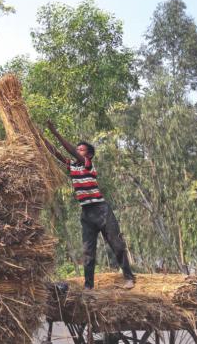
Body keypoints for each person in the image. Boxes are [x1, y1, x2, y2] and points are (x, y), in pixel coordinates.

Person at [43, 120, 136, 290]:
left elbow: (69, 149)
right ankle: (88, 286)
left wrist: (55, 133)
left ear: (89, 155)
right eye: (77, 150)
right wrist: (41, 138)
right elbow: (56, 153)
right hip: (87, 214)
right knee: (88, 252)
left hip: (102, 211)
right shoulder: (72, 166)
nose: (77, 152)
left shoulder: (88, 165)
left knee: (116, 244)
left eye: (81, 150)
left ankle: (129, 277)